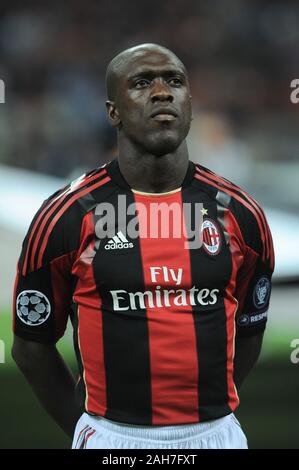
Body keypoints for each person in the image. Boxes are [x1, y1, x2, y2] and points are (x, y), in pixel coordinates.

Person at [12, 43, 275, 449]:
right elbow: (32, 346)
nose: (162, 92)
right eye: (141, 83)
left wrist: (207, 413)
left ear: (190, 103)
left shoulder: (240, 214)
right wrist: (84, 430)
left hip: (216, 435)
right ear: (112, 111)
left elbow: (251, 330)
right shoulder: (67, 215)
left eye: (174, 81)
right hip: (110, 438)